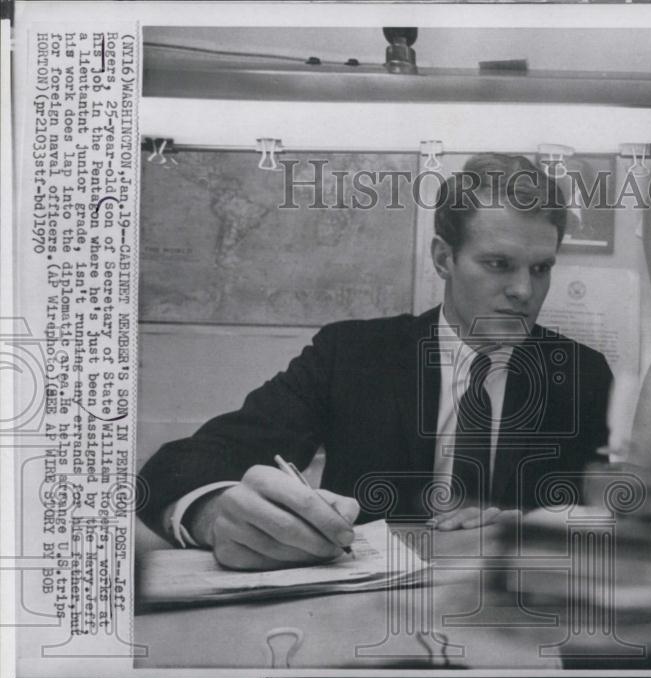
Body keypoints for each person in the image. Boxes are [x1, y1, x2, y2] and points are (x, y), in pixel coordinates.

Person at [138, 154, 614, 570]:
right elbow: (180, 465)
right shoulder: (354, 355)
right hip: (361, 617)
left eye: (540, 268)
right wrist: (214, 513)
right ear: (444, 258)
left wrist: (543, 525)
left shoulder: (582, 376)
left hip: (509, 617)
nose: (524, 292)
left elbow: (620, 512)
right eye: (498, 264)